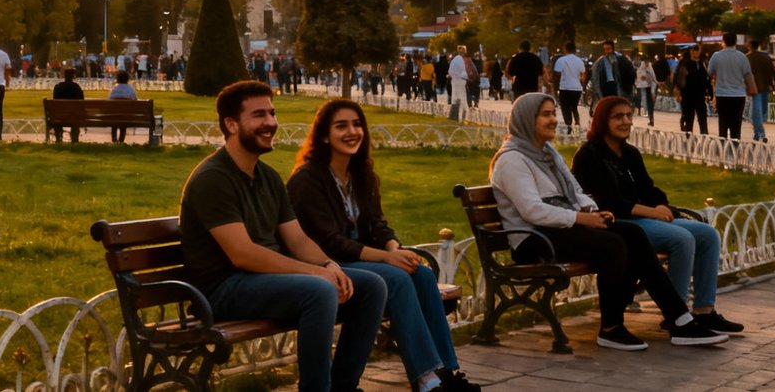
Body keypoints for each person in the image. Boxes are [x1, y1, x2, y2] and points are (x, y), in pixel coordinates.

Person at [178, 81, 387, 392]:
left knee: (370, 285)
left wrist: (330, 265)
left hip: (260, 281)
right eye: (259, 115)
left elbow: (298, 241)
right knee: (318, 291)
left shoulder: (267, 177)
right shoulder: (213, 179)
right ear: (231, 124)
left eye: (272, 114)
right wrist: (317, 274)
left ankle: (342, 385)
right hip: (222, 289)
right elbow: (243, 254)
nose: (271, 123)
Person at [489, 92, 728, 350]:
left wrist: (593, 211)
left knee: (632, 233)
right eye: (545, 114)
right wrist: (582, 218)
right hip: (534, 240)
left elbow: (576, 191)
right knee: (613, 244)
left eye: (553, 113)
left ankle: (679, 319)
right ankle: (611, 328)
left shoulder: (547, 154)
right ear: (526, 119)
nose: (554, 119)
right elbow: (532, 211)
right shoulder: (512, 159)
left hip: (558, 230)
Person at [288, 99, 480, 392]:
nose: (352, 131)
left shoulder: (361, 174)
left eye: (357, 124)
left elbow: (378, 225)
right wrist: (386, 259)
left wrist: (393, 249)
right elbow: (330, 242)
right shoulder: (308, 180)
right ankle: (426, 380)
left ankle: (446, 370)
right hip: (325, 265)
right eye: (341, 126)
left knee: (421, 273)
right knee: (397, 278)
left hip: (362, 261)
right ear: (324, 135)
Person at [572, 97, 743, 334]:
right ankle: (677, 314)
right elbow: (609, 202)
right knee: (681, 238)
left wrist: (661, 206)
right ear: (602, 120)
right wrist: (652, 212)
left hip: (644, 219)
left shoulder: (629, 153)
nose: (625, 121)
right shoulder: (589, 155)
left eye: (629, 116)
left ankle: (704, 311)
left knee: (708, 234)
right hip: (618, 223)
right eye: (618, 116)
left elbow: (648, 189)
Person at [706, 32, 754, 141]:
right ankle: (735, 145)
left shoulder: (716, 56)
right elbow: (748, 75)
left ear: (723, 42)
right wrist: (752, 89)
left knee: (723, 122)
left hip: (722, 95)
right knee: (736, 123)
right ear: (736, 42)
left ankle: (723, 144)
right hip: (739, 95)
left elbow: (709, 72)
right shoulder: (742, 57)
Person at [550, 42, 587, 129]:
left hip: (565, 87)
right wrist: (582, 85)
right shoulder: (580, 60)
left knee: (565, 107)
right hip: (577, 88)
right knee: (574, 106)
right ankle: (577, 122)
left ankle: (568, 124)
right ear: (574, 49)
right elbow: (583, 75)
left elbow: (557, 75)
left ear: (565, 49)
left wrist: (555, 88)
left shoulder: (561, 60)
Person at [673, 49, 710, 135]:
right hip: (687, 95)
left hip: (700, 96)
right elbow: (679, 78)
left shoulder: (701, 63)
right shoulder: (684, 63)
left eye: (698, 50)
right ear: (691, 51)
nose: (697, 51)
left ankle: (704, 138)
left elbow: (705, 79)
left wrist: (708, 92)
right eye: (695, 50)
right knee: (689, 119)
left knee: (702, 118)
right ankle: (689, 140)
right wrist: (678, 91)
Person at [745, 42, 775, 143]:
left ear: (749, 46)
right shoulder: (765, 56)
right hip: (765, 87)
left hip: (754, 87)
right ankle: (761, 133)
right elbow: (772, 71)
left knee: (757, 112)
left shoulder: (747, 57)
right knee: (761, 112)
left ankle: (757, 132)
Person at [51, 67, 85, 142]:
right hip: (74, 116)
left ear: (64, 76)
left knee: (60, 118)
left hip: (59, 116)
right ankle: (74, 140)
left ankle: (58, 139)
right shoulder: (76, 87)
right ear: (73, 76)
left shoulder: (58, 87)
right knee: (76, 117)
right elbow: (82, 102)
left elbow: (55, 101)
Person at [108, 69, 138, 142]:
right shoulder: (130, 89)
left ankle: (114, 139)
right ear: (127, 79)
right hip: (126, 116)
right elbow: (135, 100)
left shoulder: (114, 89)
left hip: (114, 116)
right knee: (123, 121)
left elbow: (109, 100)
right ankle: (121, 140)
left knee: (114, 121)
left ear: (117, 79)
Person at [634, 55, 657, 121]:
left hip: (649, 84)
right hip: (642, 85)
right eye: (646, 60)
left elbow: (653, 75)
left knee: (650, 97)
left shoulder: (649, 66)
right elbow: (640, 75)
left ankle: (649, 111)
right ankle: (646, 111)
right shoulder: (641, 66)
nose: (647, 62)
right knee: (644, 98)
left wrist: (655, 81)